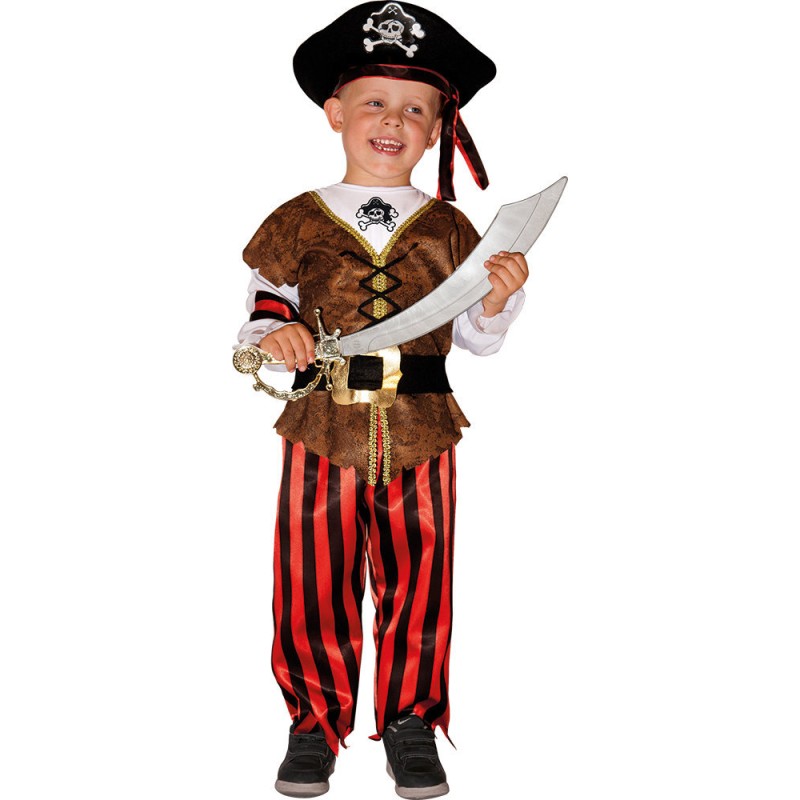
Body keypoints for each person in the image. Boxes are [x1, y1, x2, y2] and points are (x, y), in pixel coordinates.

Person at [236, 4, 529, 797]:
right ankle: (313, 722)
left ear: (437, 131)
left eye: (415, 109)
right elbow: (265, 305)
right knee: (312, 575)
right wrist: (276, 334)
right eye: (374, 101)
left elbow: (477, 339)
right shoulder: (297, 219)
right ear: (335, 112)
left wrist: (495, 299)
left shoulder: (452, 228)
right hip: (320, 424)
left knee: (420, 577)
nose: (392, 120)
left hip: (423, 425)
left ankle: (411, 721)